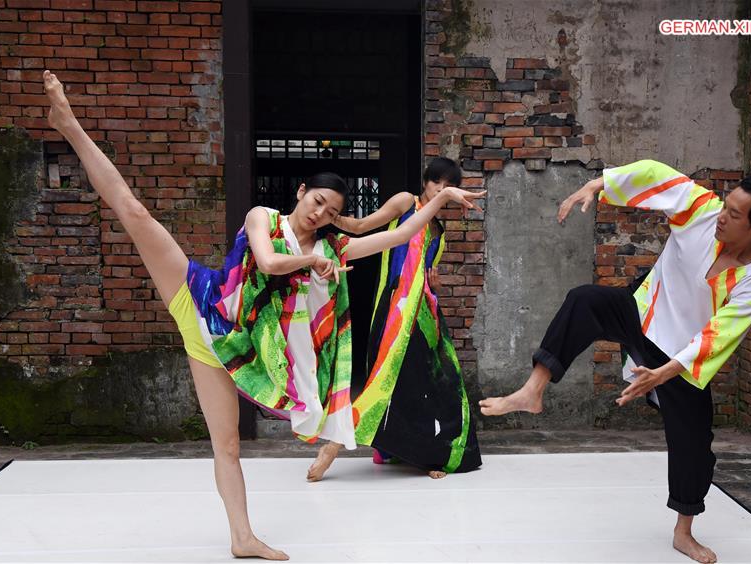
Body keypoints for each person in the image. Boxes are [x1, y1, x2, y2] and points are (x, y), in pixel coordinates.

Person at [42, 70, 484, 561]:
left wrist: (439, 199)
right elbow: (271, 264)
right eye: (317, 202)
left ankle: (242, 538)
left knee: (227, 445)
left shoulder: (335, 247)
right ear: (301, 193)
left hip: (233, 349)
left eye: (332, 211)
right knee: (135, 213)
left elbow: (397, 237)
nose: (320, 214)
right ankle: (69, 125)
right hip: (204, 303)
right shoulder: (263, 218)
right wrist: (310, 261)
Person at [479, 159, 751, 564]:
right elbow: (656, 176)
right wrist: (597, 185)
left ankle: (683, 533)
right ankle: (532, 391)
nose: (722, 216)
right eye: (725, 205)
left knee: (694, 446)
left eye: (734, 214)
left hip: (679, 357)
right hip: (644, 311)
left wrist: (662, 373)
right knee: (584, 300)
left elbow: (716, 338)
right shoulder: (702, 210)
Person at [328, 157, 481, 480]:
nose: (442, 189)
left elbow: (425, 276)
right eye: (437, 182)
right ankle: (368, 444)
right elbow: (360, 228)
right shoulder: (405, 202)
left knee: (430, 379)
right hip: (394, 306)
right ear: (425, 182)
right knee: (389, 374)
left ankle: (418, 450)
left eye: (449, 185)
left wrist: (435, 285)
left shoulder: (440, 230)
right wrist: (327, 215)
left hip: (423, 312)